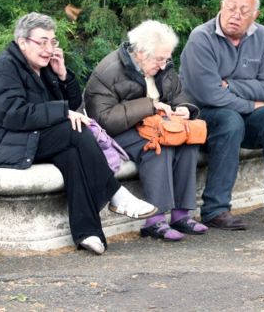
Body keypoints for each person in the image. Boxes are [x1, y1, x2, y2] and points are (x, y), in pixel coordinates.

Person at [0, 12, 157, 255]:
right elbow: (14, 114)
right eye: (42, 41)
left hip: (27, 137)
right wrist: (64, 114)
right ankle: (117, 195)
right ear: (22, 42)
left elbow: (70, 104)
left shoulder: (43, 67)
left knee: (72, 154)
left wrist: (63, 76)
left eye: (53, 41)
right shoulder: (5, 67)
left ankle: (87, 233)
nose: (48, 48)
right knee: (73, 130)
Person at [179, 0, 264, 230]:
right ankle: (215, 209)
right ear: (221, 6)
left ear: (255, 15)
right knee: (231, 120)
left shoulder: (263, 37)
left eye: (244, 11)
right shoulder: (201, 38)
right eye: (231, 8)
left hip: (241, 117)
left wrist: (230, 84)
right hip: (202, 118)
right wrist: (252, 103)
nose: (236, 15)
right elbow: (209, 94)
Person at [84, 20, 208, 241]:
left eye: (166, 59)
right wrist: (149, 106)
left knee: (188, 143)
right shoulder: (109, 70)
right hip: (122, 130)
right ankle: (155, 218)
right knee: (158, 147)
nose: (163, 65)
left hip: (159, 124)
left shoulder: (163, 67)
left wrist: (185, 110)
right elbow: (103, 118)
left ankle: (181, 214)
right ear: (140, 52)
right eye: (159, 59)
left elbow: (180, 96)